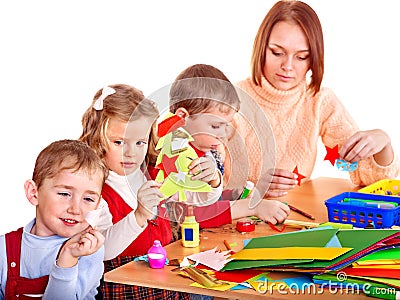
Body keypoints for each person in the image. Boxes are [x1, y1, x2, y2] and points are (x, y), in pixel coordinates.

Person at [230, 0, 399, 198]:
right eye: (277, 52)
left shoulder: (319, 101)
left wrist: (384, 144)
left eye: (301, 57)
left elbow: (377, 185)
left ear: (313, 59)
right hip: (240, 221)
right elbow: (203, 184)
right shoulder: (230, 100)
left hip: (294, 218)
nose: (288, 66)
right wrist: (252, 189)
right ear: (260, 48)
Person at [79, 83, 222, 299]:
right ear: (97, 138)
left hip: (168, 282)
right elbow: (102, 249)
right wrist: (138, 216)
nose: (130, 153)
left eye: (140, 142)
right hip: (128, 287)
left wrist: (212, 179)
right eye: (119, 142)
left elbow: (201, 198)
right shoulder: (94, 191)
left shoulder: (155, 174)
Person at [168, 64, 290, 229]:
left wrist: (232, 196)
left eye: (226, 125)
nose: (223, 134)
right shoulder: (173, 157)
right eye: (215, 126)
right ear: (183, 117)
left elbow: (203, 198)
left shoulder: (207, 150)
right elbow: (187, 214)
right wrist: (250, 207)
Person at [0, 139, 108, 299]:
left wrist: (68, 257)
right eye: (64, 194)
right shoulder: (4, 248)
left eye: (88, 199)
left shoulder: (88, 250)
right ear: (33, 193)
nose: (75, 209)